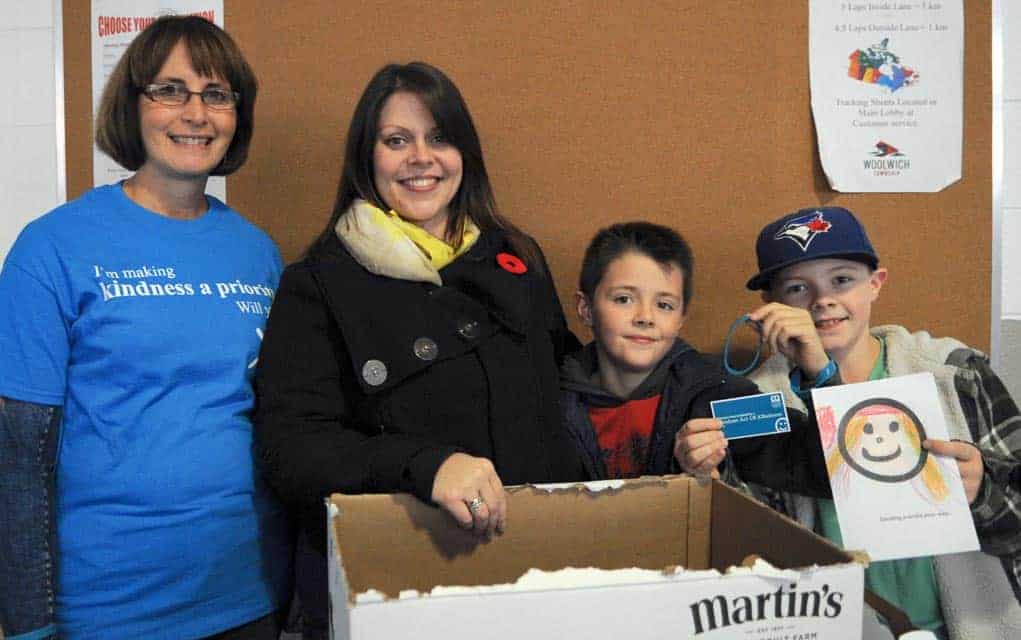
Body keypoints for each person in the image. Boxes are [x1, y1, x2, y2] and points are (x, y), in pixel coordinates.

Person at [254, 61, 583, 638]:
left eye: (439, 138)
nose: (421, 158)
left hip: (539, 579)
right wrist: (425, 466)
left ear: (465, 153)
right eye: (397, 140)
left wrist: (686, 404)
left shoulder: (517, 257)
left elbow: (571, 384)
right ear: (367, 157)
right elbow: (293, 451)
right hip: (402, 591)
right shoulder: (319, 285)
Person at [0, 16, 290, 640]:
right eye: (170, 90)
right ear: (132, 105)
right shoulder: (51, 249)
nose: (196, 113)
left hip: (246, 596)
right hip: (107, 610)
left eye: (217, 94)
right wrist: (27, 624)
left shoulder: (258, 255)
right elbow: (19, 458)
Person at [715, 206, 1020, 638]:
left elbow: (1014, 523)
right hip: (834, 627)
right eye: (798, 288)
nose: (822, 300)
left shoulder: (954, 374)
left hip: (967, 626)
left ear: (876, 283)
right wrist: (709, 473)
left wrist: (982, 491)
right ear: (771, 306)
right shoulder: (755, 403)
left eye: (842, 280)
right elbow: (746, 551)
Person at [561, 221, 833, 492]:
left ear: (680, 320)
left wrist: (820, 372)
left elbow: (827, 473)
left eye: (664, 305)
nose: (645, 317)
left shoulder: (721, 393)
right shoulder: (550, 398)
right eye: (623, 299)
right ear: (586, 309)